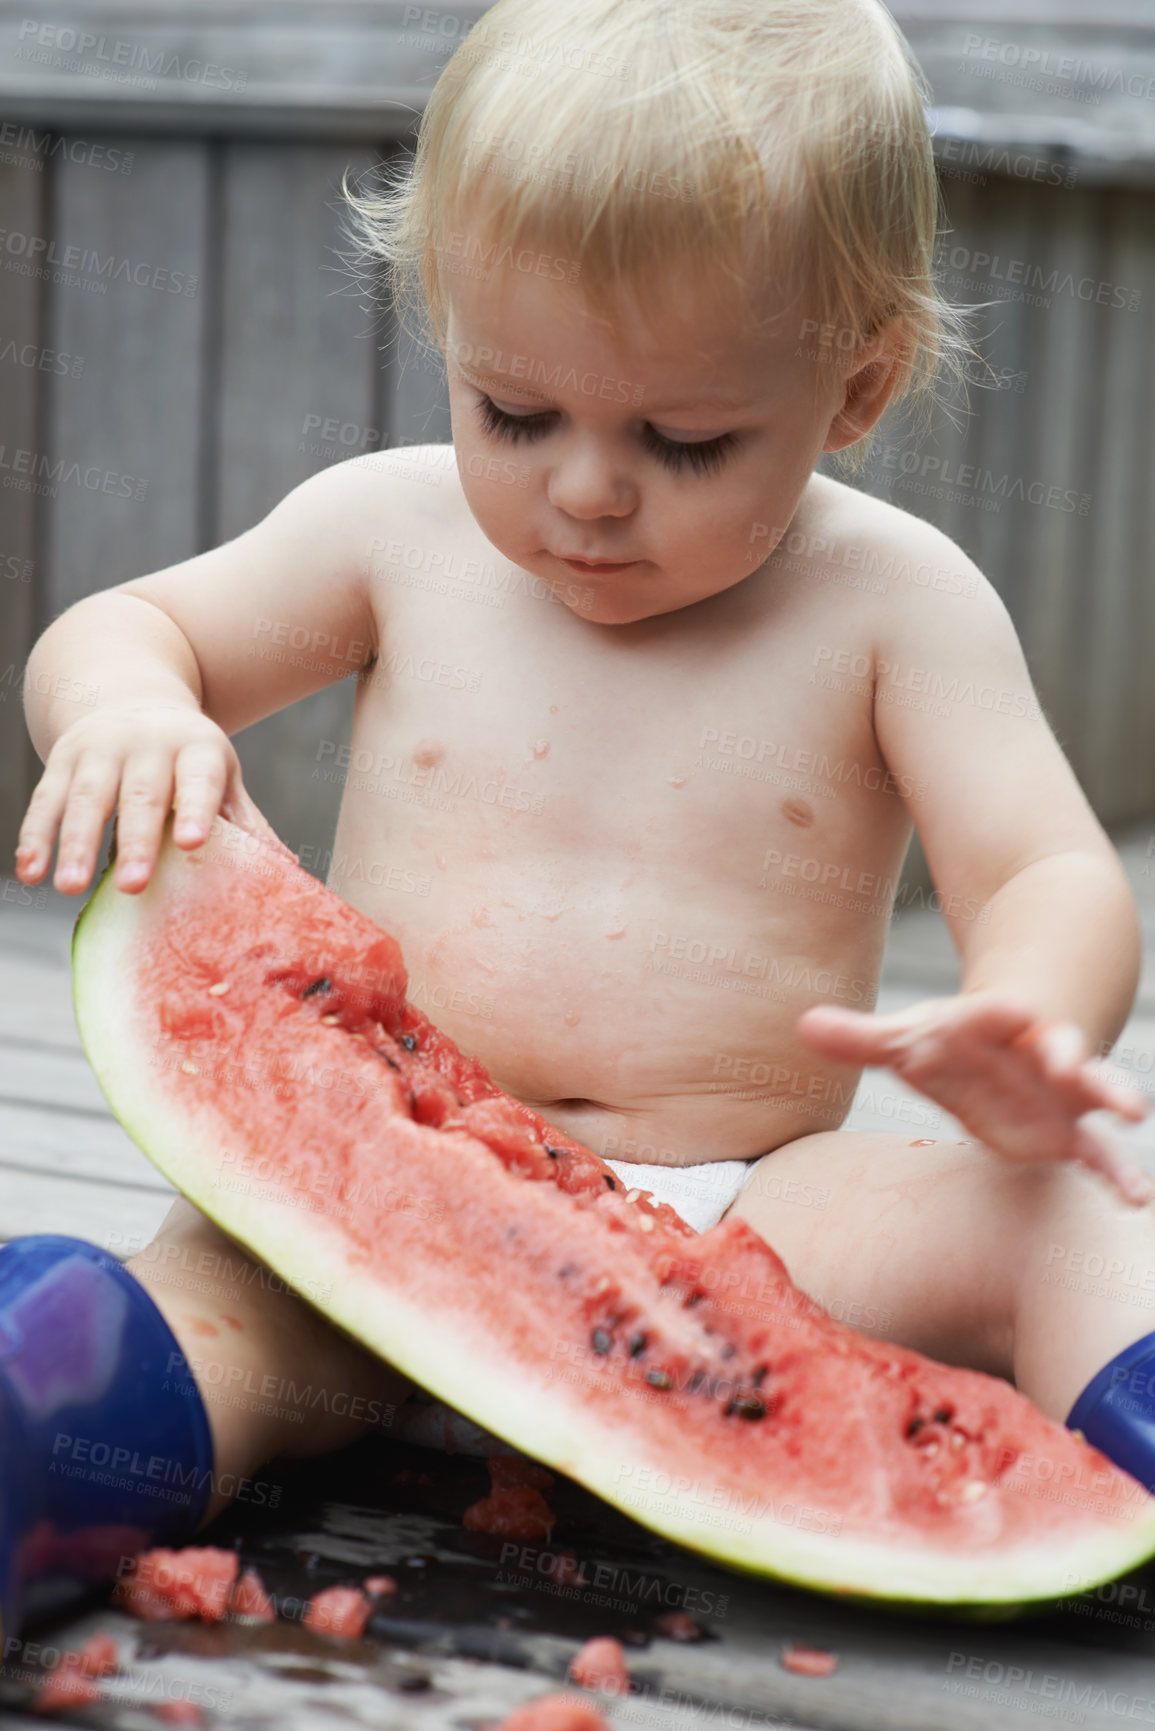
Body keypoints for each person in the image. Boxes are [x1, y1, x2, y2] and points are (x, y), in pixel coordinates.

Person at [6, 0, 1155, 1638]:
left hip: (754, 1214)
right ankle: (40, 1440)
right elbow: (131, 625)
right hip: (366, 1192)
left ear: (857, 387)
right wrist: (124, 705)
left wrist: (1035, 1015)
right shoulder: (385, 533)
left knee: (1085, 1207)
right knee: (214, 1307)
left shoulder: (900, 603)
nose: (589, 490)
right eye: (516, 413)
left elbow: (1045, 864)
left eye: (684, 439)